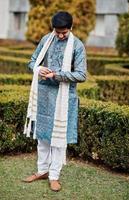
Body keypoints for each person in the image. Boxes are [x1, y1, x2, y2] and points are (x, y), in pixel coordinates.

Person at [23, 11, 87, 192]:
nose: (60, 36)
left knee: (58, 140)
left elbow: (82, 75)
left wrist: (56, 75)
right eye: (57, 32)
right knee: (42, 136)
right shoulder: (46, 40)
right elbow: (32, 61)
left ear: (70, 28)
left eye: (63, 33)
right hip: (44, 95)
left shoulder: (77, 46)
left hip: (63, 98)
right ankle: (42, 170)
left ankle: (54, 176)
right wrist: (39, 68)